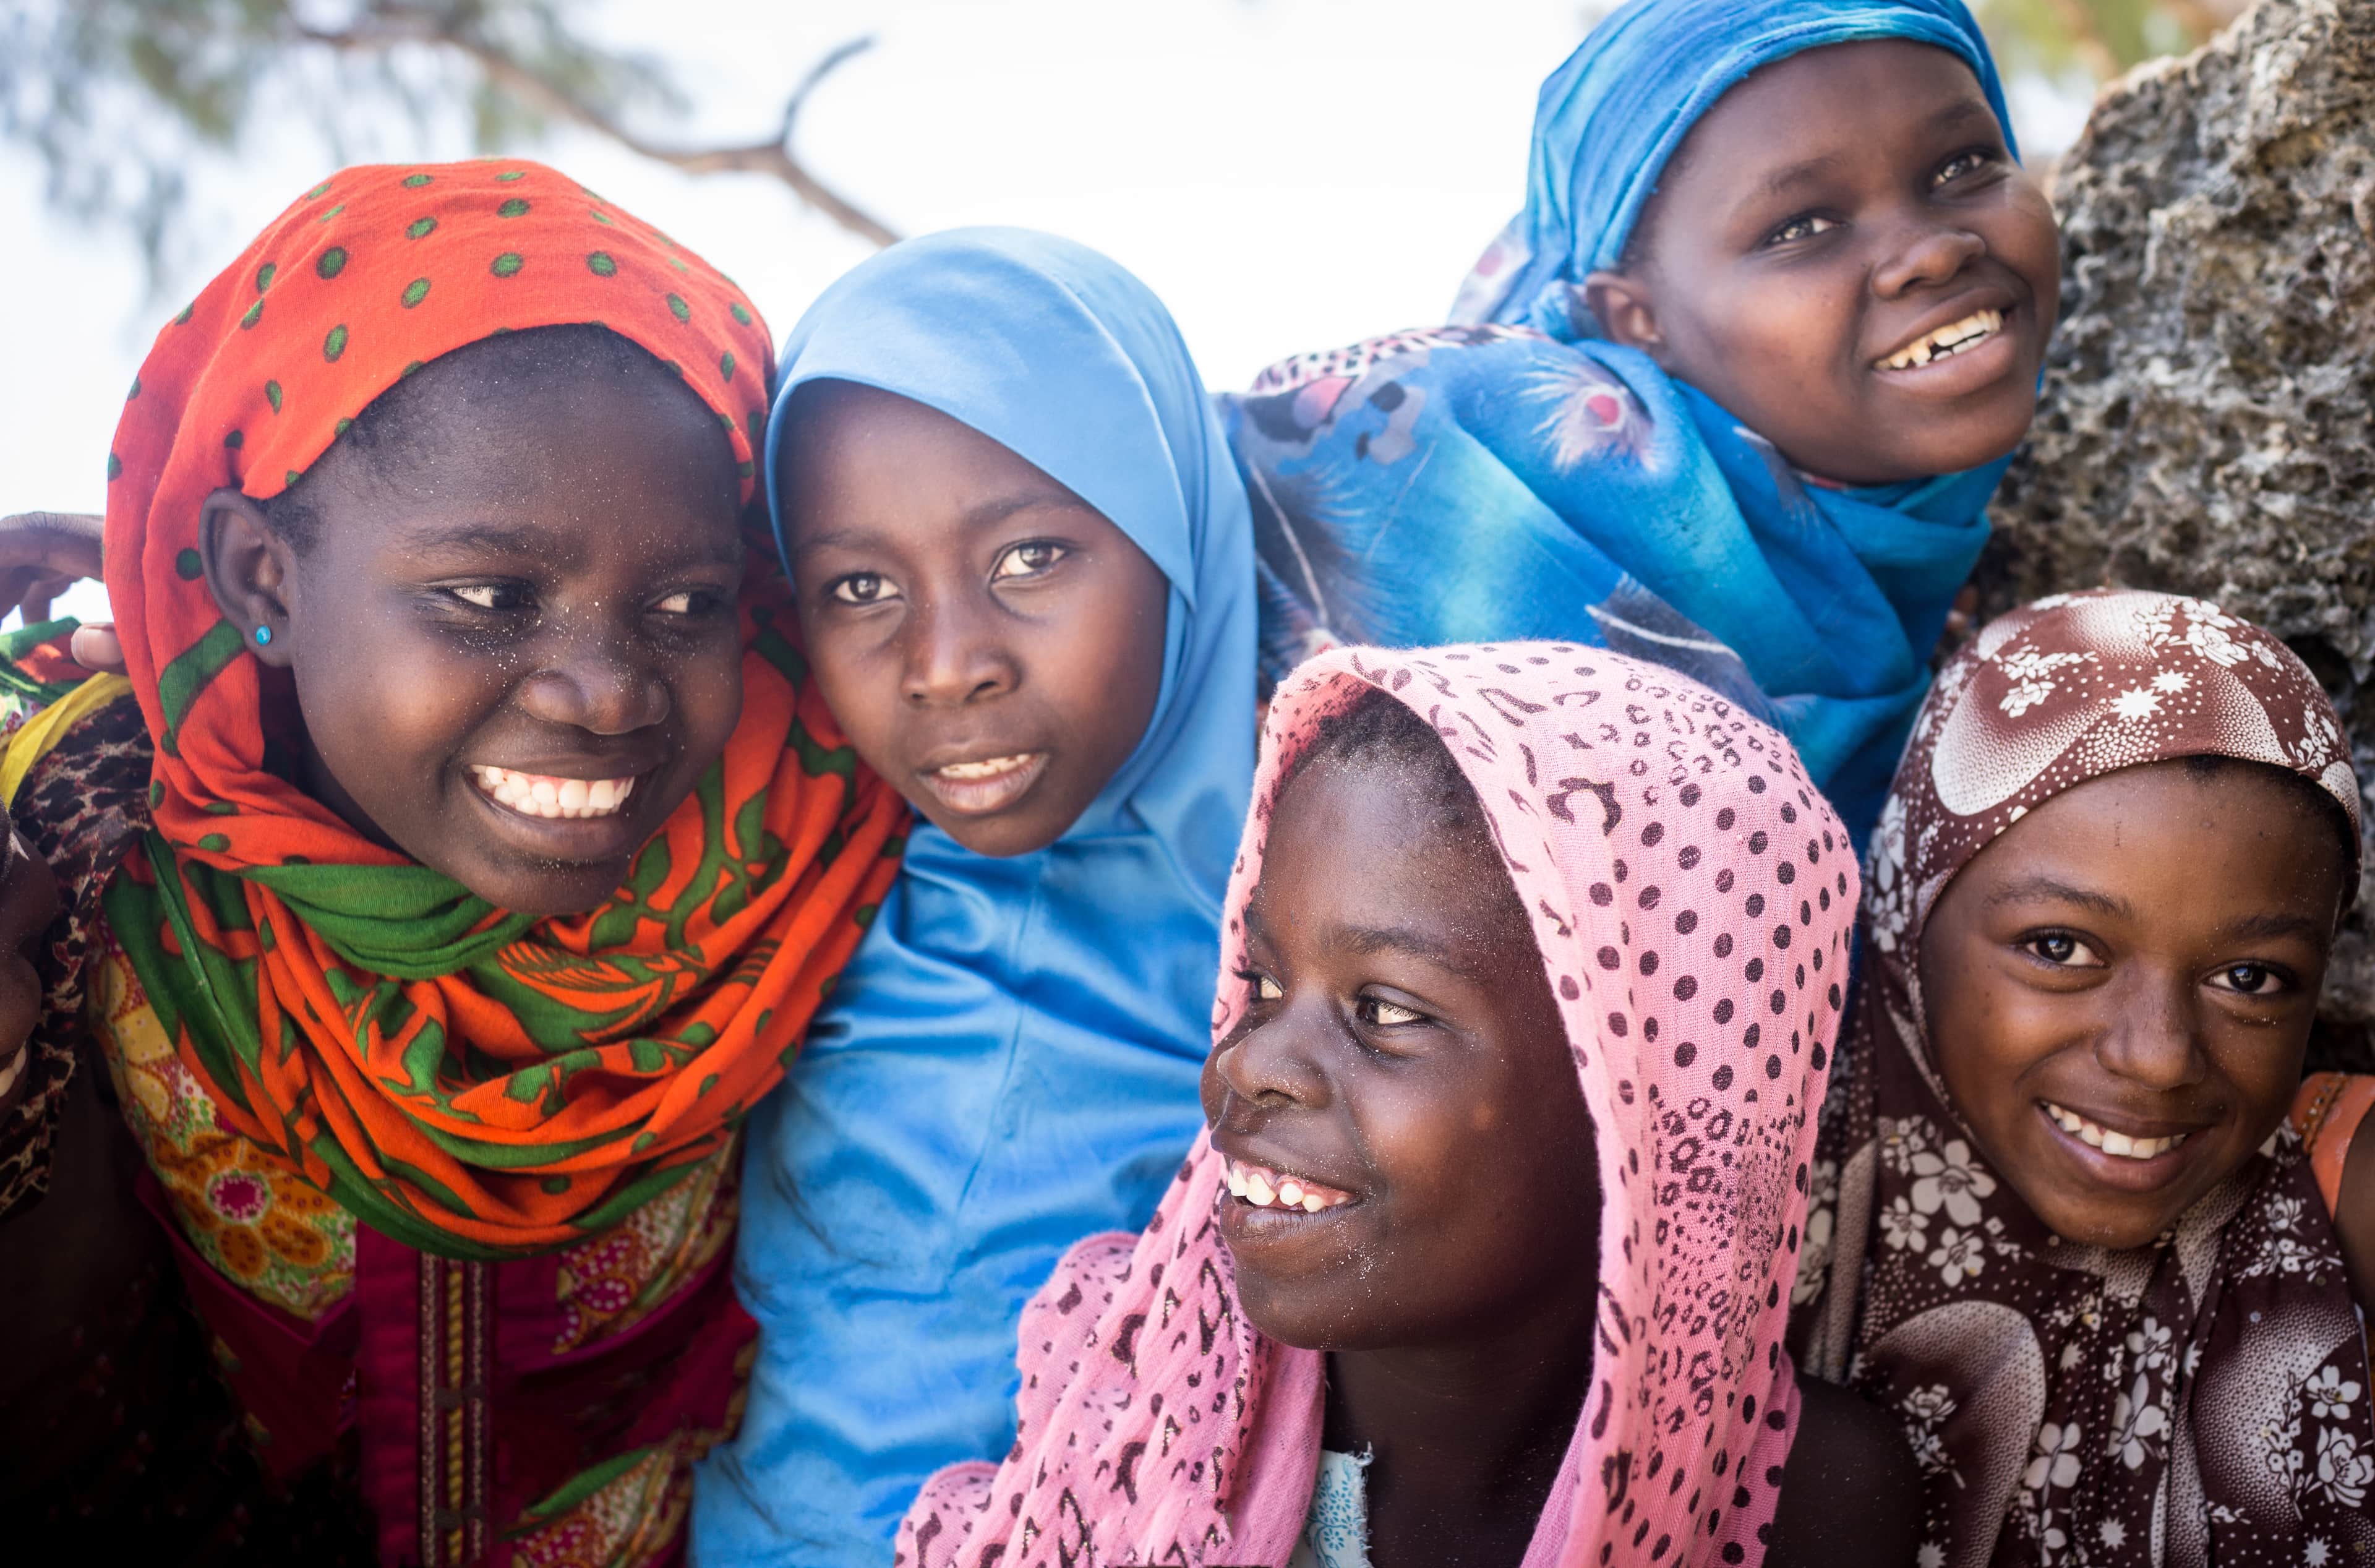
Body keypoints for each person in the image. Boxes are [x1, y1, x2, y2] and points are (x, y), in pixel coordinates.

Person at [0, 160, 905, 1564]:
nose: (607, 691)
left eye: (687, 603)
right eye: (490, 597)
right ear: (261, 580)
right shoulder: (92, 849)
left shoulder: (830, 829)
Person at [896, 643, 1909, 1568]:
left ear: (1644, 1102)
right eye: (1259, 985)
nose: (1249, 1066)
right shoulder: (1133, 1398)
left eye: (1381, 1010)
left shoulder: (1804, 1505)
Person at [690, 229, 1258, 1564]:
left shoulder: (1366, 937)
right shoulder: (780, 886)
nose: (947, 664)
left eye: (1030, 558)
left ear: (1177, 525)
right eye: (862, 587)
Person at [1226, 0, 2059, 848]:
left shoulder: (1924, 528)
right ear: (1633, 321)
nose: (1933, 251)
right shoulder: (1488, 494)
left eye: (1963, 164)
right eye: (1801, 226)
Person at [1791, 588, 2375, 1564]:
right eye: (2061, 947)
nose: (2156, 1056)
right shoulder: (1735, 1209)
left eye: (2251, 978)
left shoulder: (2343, 1196)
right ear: (1909, 914)